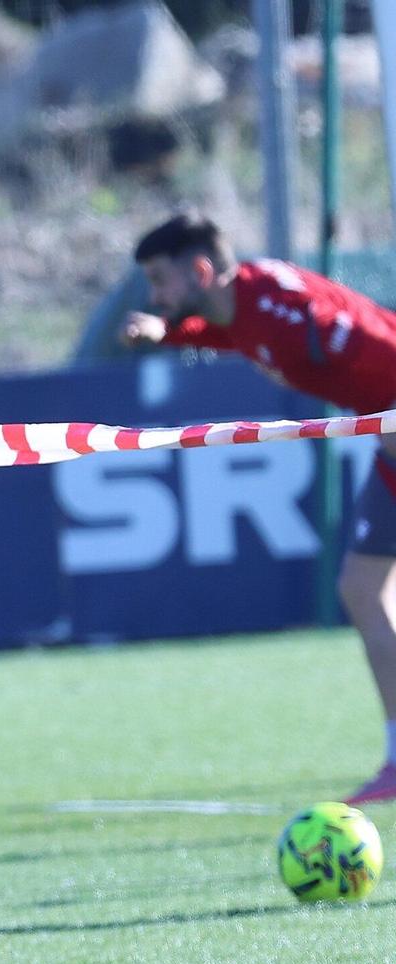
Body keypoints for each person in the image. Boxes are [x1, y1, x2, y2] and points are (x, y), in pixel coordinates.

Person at [122, 212, 396, 803]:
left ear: (200, 269)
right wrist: (167, 333)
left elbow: (381, 343)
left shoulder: (281, 308)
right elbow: (229, 335)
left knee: (364, 588)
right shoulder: (241, 307)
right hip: (391, 451)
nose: (156, 295)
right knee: (363, 588)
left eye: (160, 279)